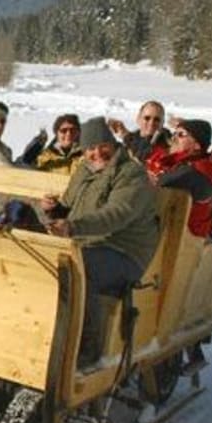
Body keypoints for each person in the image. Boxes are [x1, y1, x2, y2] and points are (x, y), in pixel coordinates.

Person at [40, 116, 160, 366]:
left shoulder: (131, 174)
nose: (96, 153)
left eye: (102, 146)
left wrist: (73, 227)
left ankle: (87, 349)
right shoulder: (84, 171)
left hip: (124, 251)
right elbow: (70, 208)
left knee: (80, 269)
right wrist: (55, 210)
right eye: (90, 149)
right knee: (43, 260)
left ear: (112, 144)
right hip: (86, 243)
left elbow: (116, 215)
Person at [146, 119, 212, 239]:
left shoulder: (193, 171)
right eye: (175, 133)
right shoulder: (190, 158)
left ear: (197, 145)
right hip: (175, 223)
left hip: (188, 234)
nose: (174, 138)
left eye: (181, 134)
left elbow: (158, 183)